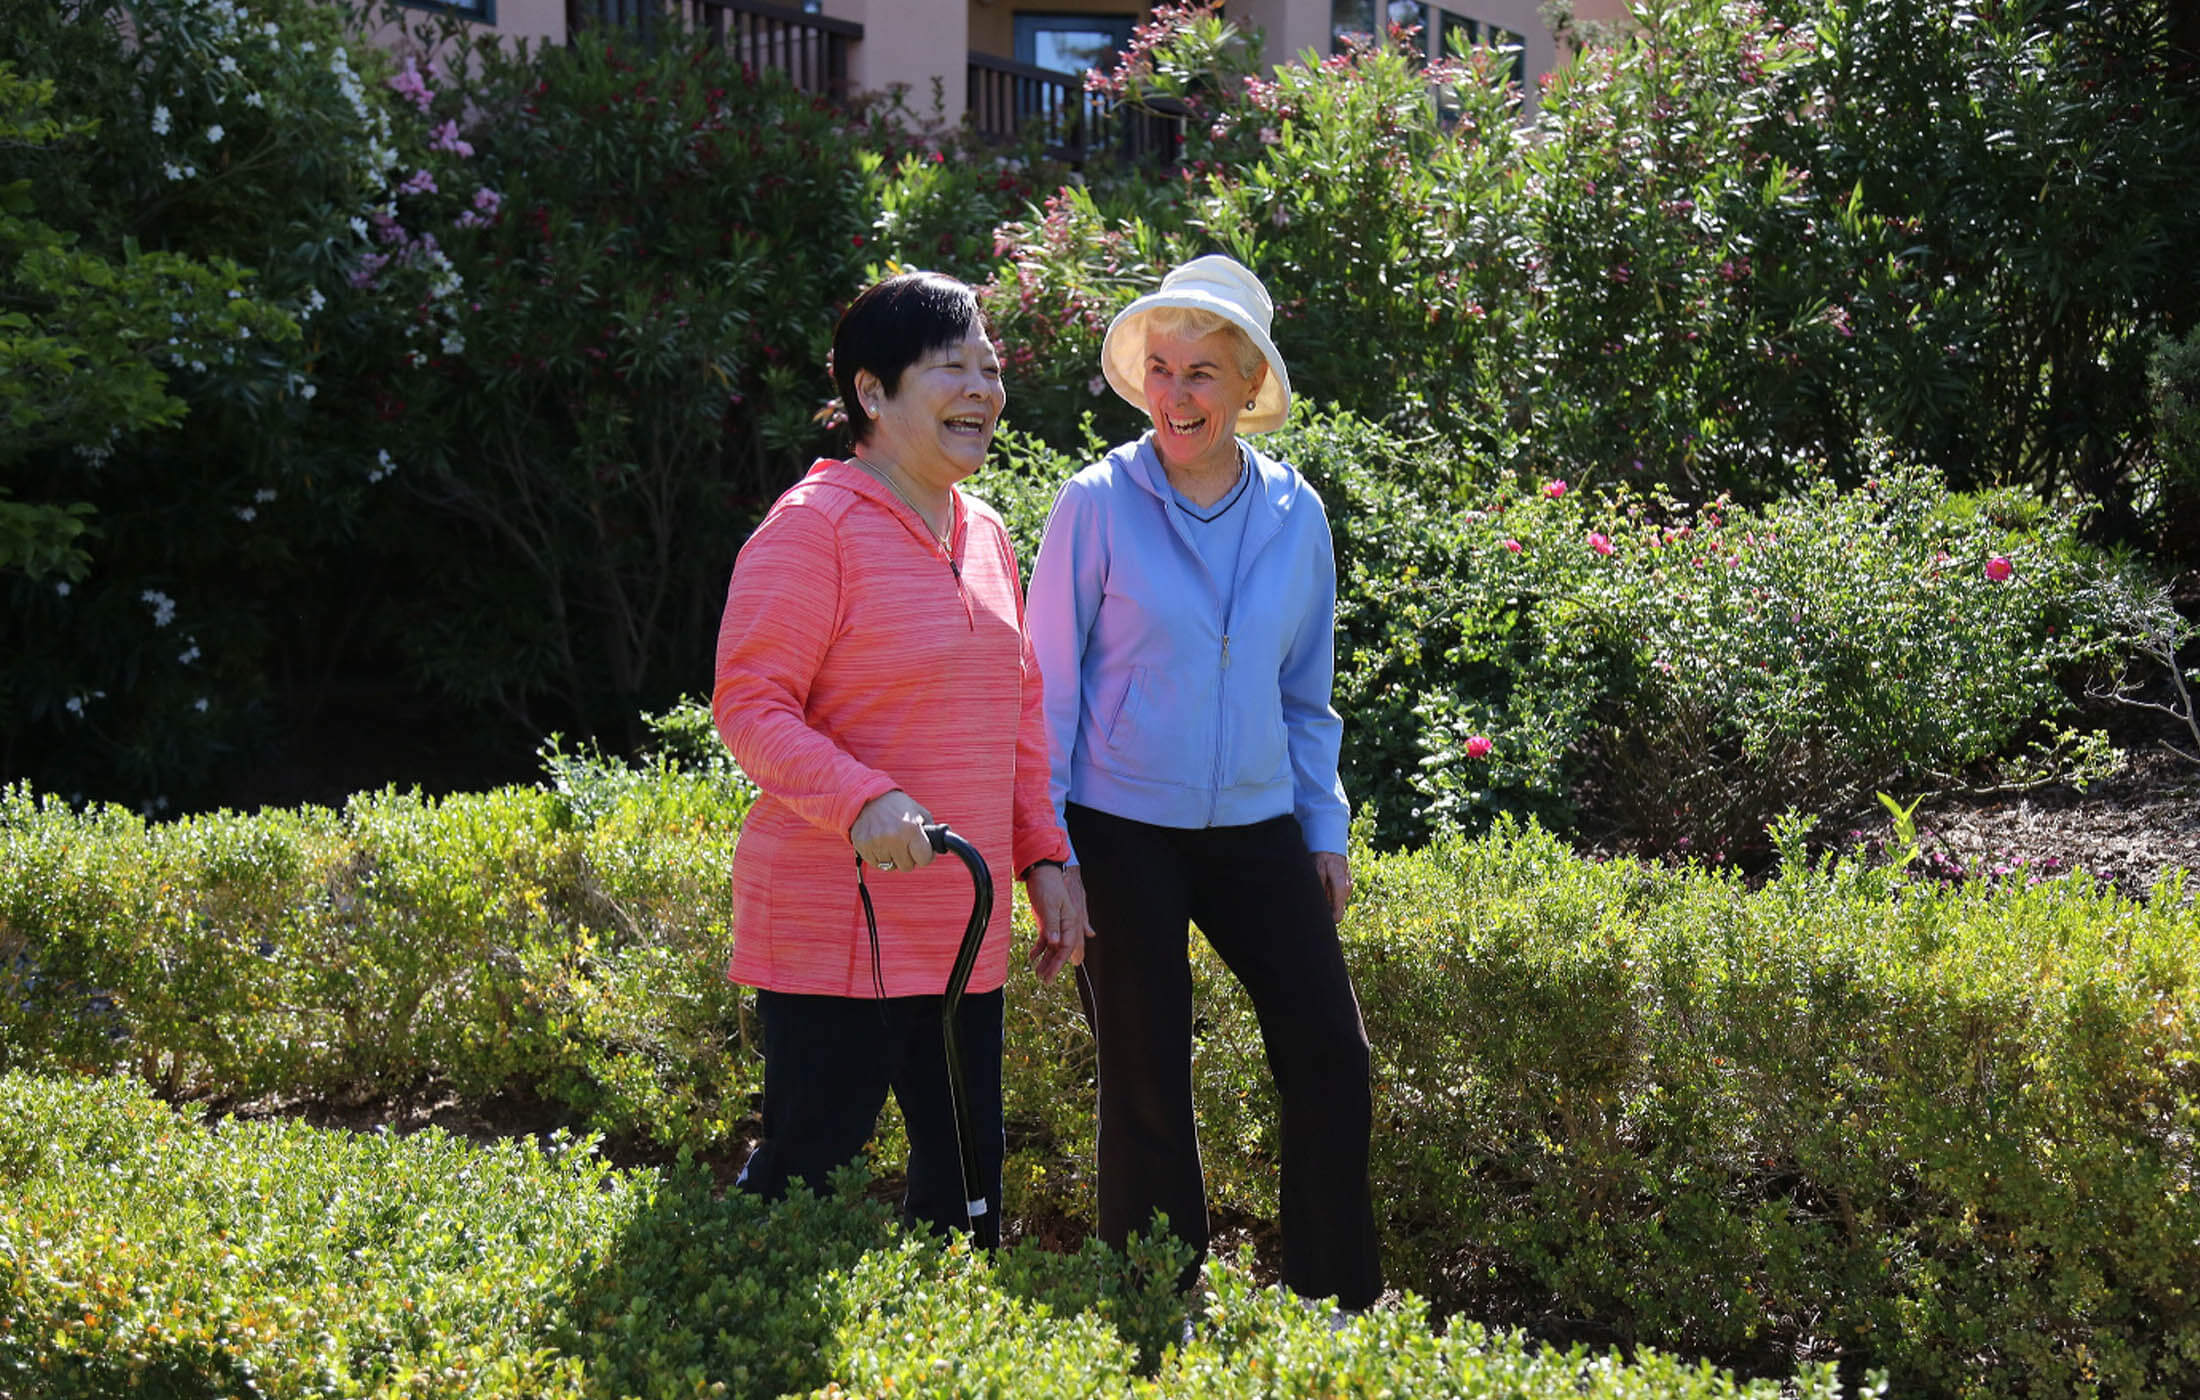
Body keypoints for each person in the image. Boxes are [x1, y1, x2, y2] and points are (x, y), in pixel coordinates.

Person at [1025, 254, 1382, 1309]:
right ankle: (1156, 1299)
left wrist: (1324, 828)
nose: (1176, 394)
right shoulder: (1092, 502)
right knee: (1145, 1068)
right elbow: (1043, 686)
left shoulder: (1295, 512)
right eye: (1162, 369)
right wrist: (1050, 847)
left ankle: (1335, 1302)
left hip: (1259, 826)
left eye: (1202, 374)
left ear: (1244, 387)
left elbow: (1305, 695)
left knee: (1330, 1051)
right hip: (1120, 821)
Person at [712, 270, 1088, 1249]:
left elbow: (1018, 709)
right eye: (952, 366)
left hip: (958, 924)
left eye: (992, 368)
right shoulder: (814, 528)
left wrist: (1042, 857)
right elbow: (750, 704)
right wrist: (862, 798)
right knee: (806, 1189)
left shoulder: (990, 535)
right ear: (871, 393)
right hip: (835, 924)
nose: (982, 388)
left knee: (962, 1203)